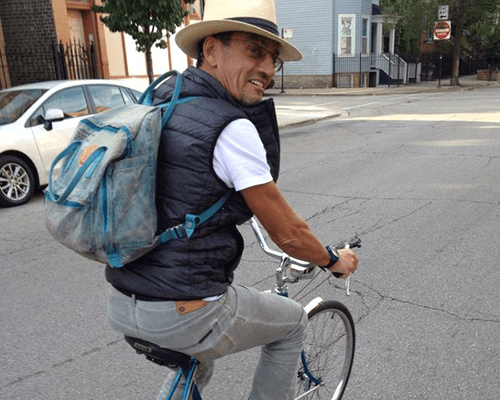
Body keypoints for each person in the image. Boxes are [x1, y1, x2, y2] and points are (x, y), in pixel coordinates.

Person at [105, 0, 358, 399]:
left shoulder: (161, 99)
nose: (268, 70)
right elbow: (289, 234)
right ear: (210, 50)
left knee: (196, 363)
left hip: (123, 300)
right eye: (254, 51)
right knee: (292, 323)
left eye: (274, 59)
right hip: (184, 310)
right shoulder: (230, 126)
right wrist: (333, 260)